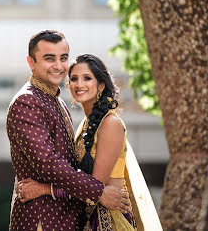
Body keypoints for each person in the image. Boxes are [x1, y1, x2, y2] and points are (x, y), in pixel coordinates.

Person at [7, 31, 130, 231]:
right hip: (42, 219)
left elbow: (74, 167)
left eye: (63, 58)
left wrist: (47, 189)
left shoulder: (59, 103)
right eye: (49, 58)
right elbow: (48, 164)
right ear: (31, 63)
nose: (58, 65)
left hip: (74, 218)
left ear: (100, 85)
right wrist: (99, 192)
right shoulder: (27, 102)